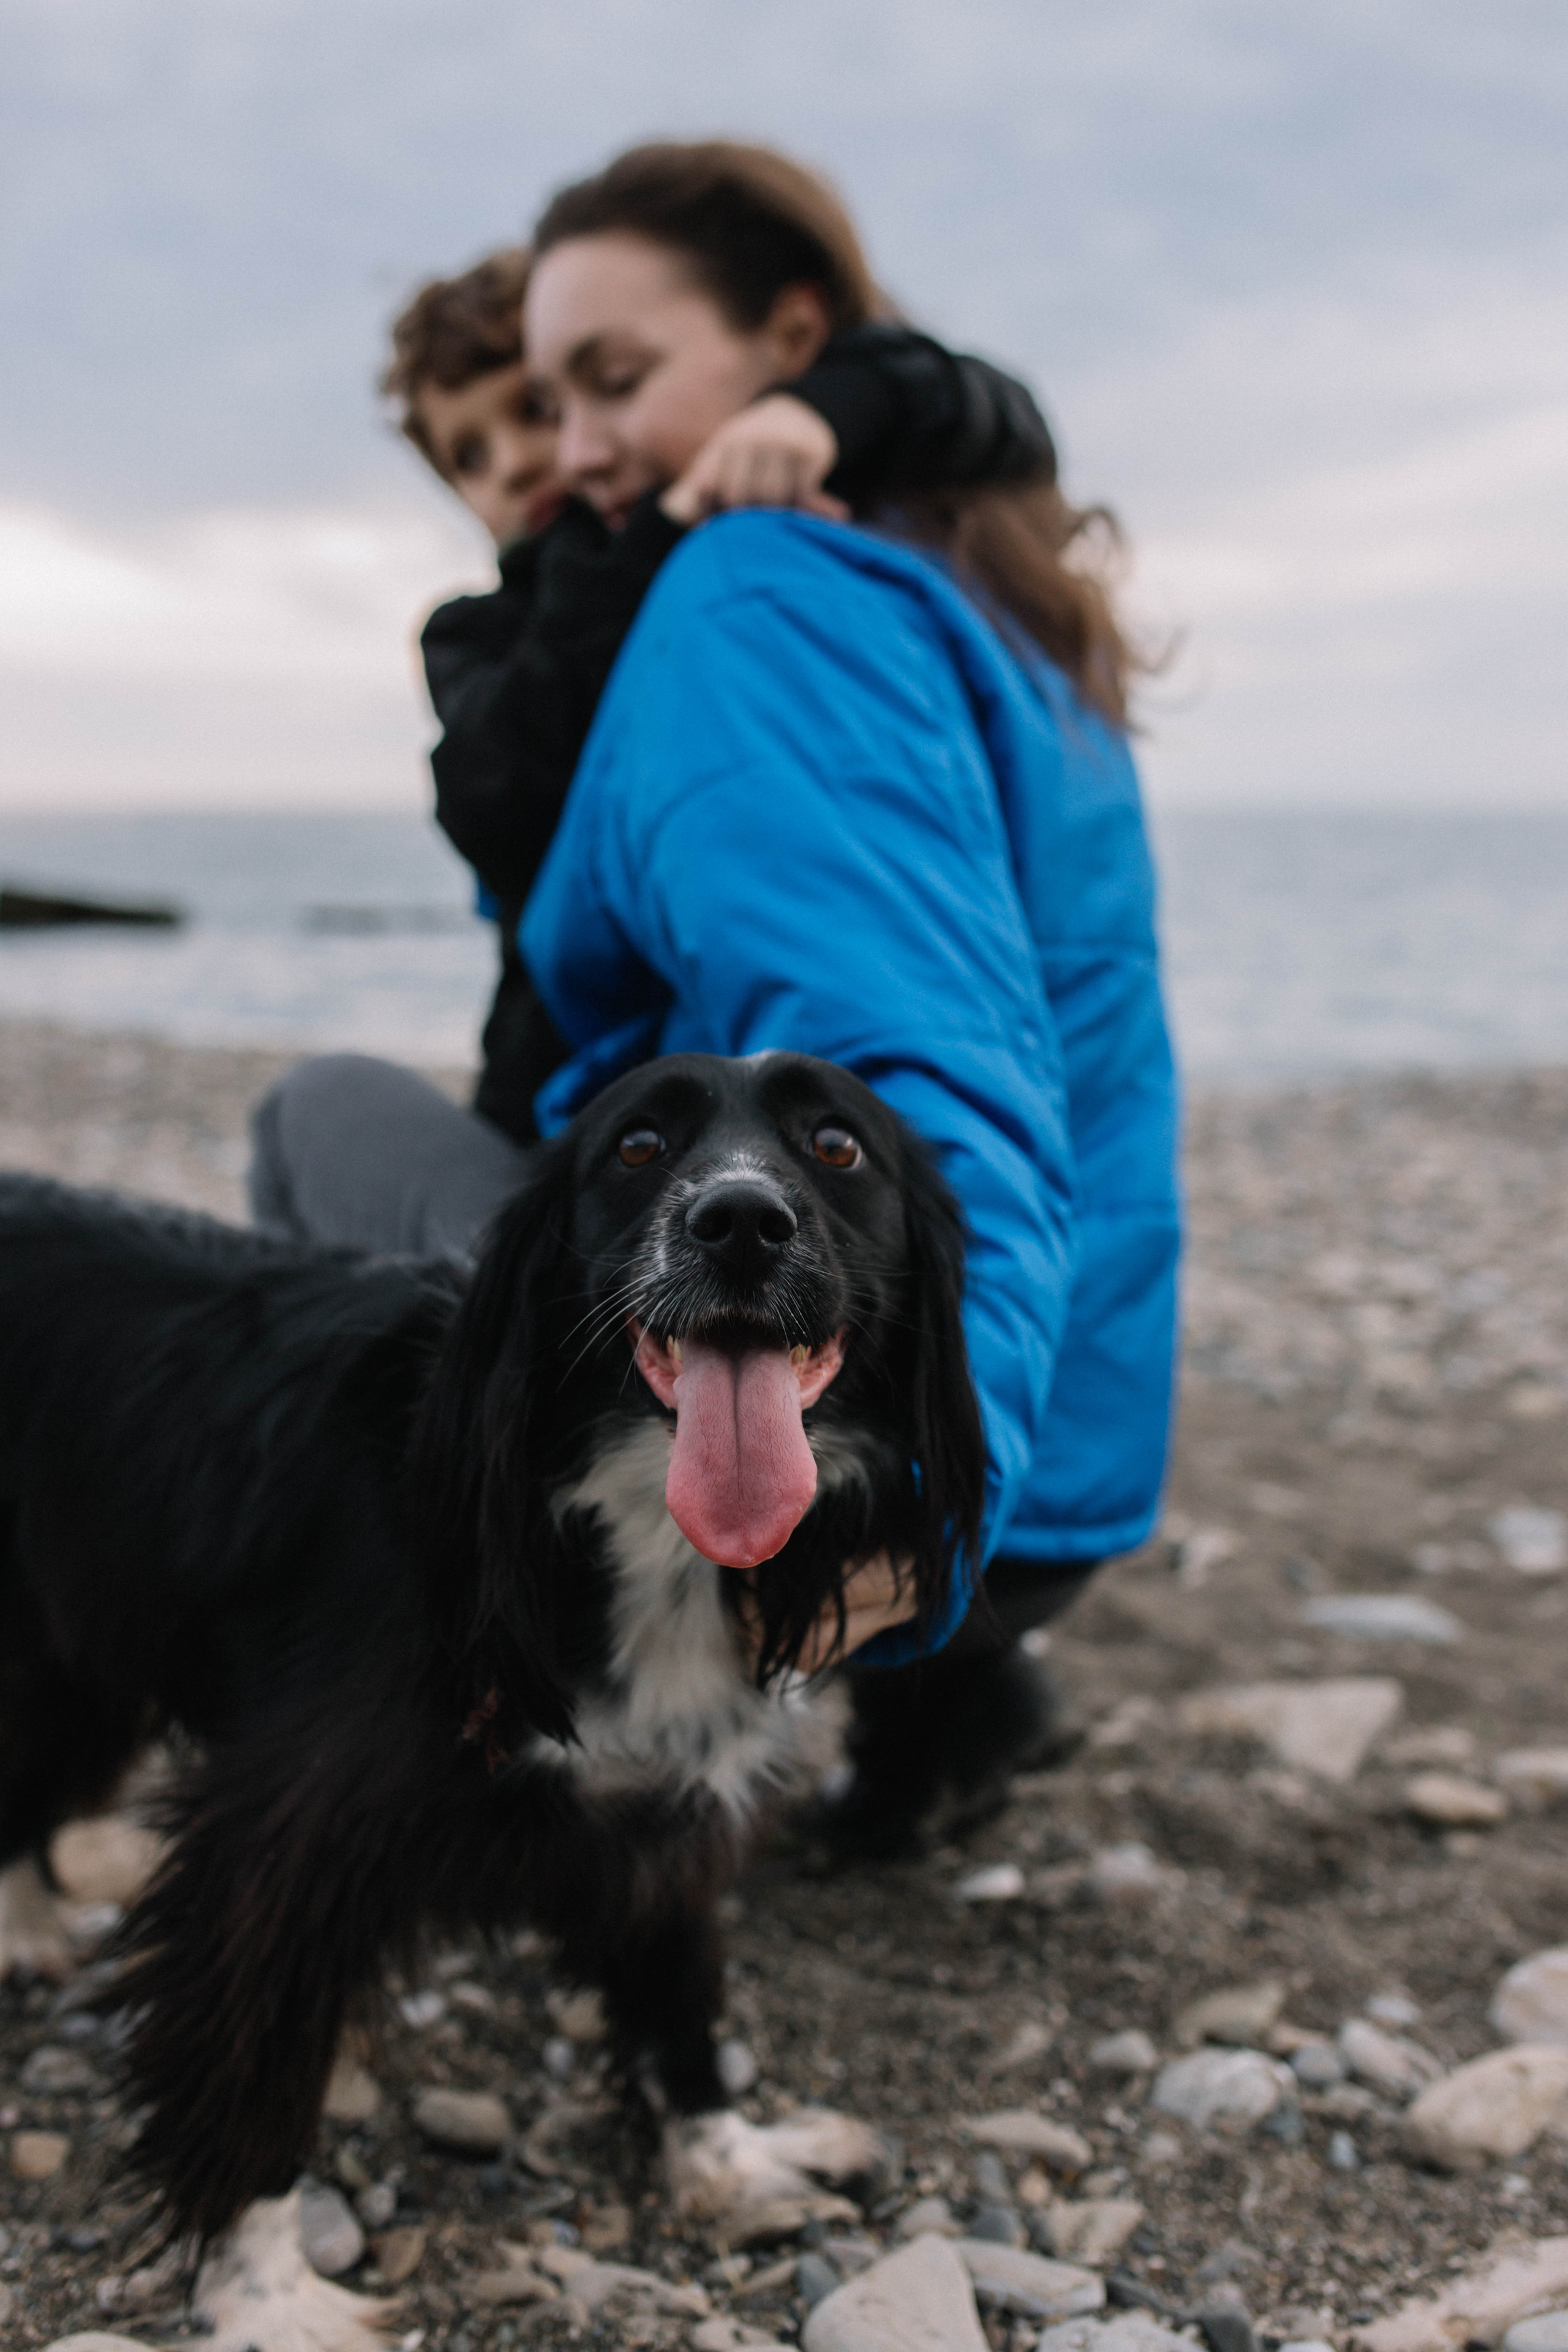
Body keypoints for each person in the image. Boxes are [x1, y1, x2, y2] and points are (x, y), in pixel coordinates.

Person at [251, 143, 1179, 1853]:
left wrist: (915, 1550)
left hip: (884, 1525)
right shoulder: (974, 600)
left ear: (794, 346)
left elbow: (923, 1088)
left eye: (611, 386)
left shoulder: (757, 602)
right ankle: (957, 1699)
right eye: (527, 412)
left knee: (320, 1118)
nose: (572, 453)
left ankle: (459, 1692)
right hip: (1068, 1471)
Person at [380, 245, 1059, 1139]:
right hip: (548, 1113)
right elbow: (493, 804)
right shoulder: (478, 635)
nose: (513, 461)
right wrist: (658, 530)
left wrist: (816, 414)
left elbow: (982, 407)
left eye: (536, 409)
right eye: (469, 455)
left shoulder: (752, 556)